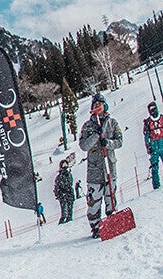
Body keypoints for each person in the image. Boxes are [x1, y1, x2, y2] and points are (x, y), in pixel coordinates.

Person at [79, 92, 123, 239]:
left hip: (110, 167)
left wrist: (108, 143)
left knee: (110, 196)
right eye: (95, 105)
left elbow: (119, 141)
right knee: (94, 202)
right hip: (95, 170)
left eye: (100, 104)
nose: (98, 107)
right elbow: (84, 146)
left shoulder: (113, 123)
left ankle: (112, 221)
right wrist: (96, 136)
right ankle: (96, 227)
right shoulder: (87, 126)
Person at [143, 101, 163, 189]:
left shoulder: (162, 118)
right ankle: (156, 185)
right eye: (151, 110)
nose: (153, 111)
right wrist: (148, 146)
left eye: (154, 109)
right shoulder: (147, 122)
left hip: (162, 142)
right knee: (154, 166)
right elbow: (146, 136)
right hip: (153, 144)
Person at [53, 159, 75, 223]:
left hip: (69, 194)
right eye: (63, 165)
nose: (65, 166)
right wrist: (59, 194)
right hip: (63, 195)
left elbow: (70, 183)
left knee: (69, 211)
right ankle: (63, 221)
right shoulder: (59, 177)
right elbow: (57, 186)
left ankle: (69, 220)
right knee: (64, 212)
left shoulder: (69, 175)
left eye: (66, 165)